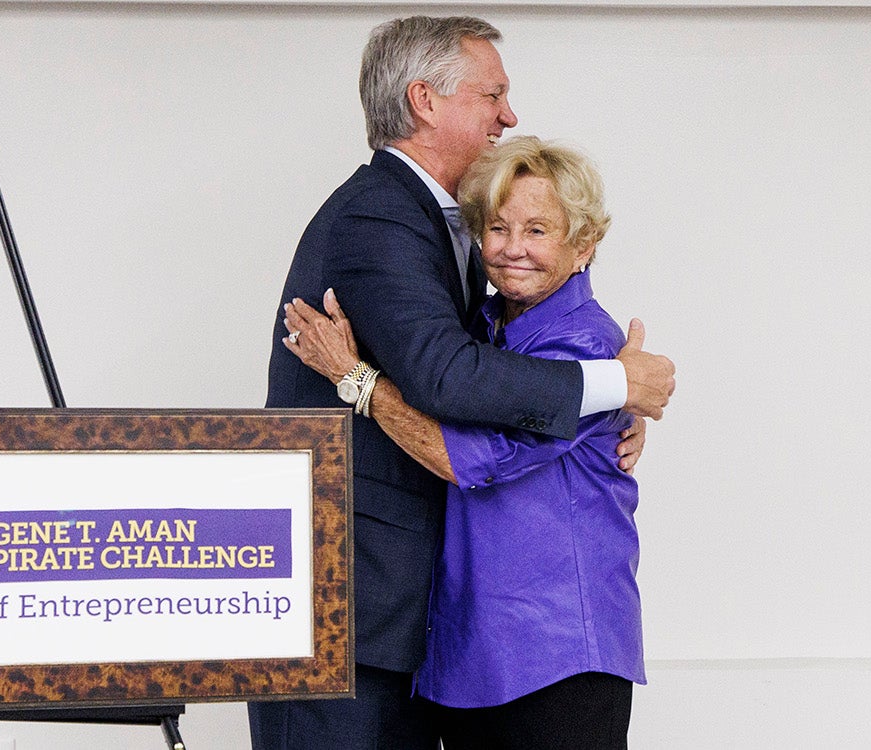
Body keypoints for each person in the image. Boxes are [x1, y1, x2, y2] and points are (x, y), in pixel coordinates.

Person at [256, 16, 675, 750]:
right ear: (424, 100)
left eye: (536, 231)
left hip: (437, 627)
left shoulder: (442, 229)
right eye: (493, 94)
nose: (508, 115)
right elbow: (449, 376)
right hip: (350, 607)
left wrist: (611, 396)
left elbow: (510, 371)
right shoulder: (380, 213)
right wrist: (611, 386)